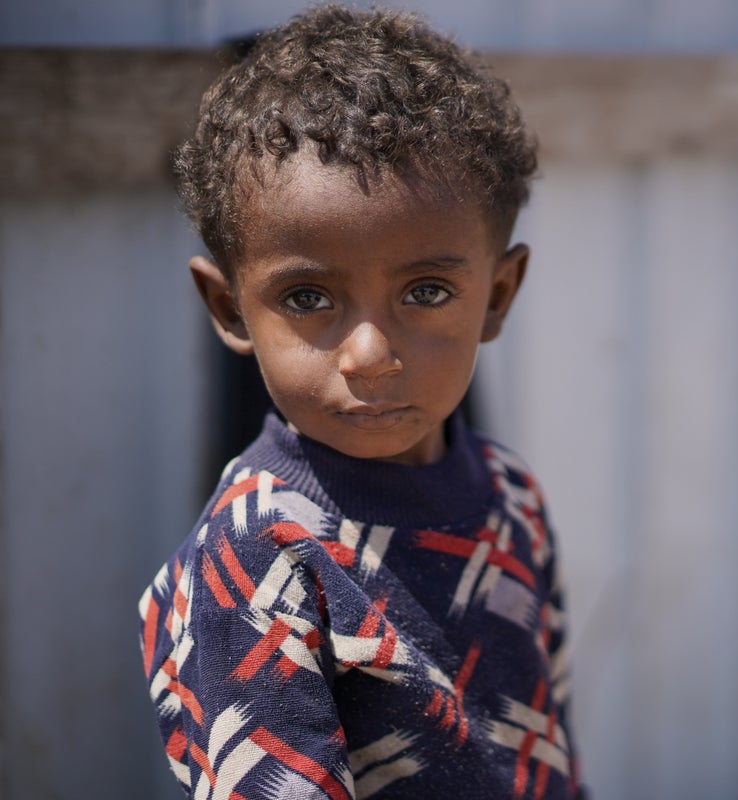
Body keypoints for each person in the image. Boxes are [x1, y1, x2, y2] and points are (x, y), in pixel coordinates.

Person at [137, 6, 583, 798]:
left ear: (498, 294)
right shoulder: (258, 557)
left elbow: (549, 753)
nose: (370, 356)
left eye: (427, 291)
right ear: (231, 309)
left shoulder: (511, 500)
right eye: (308, 297)